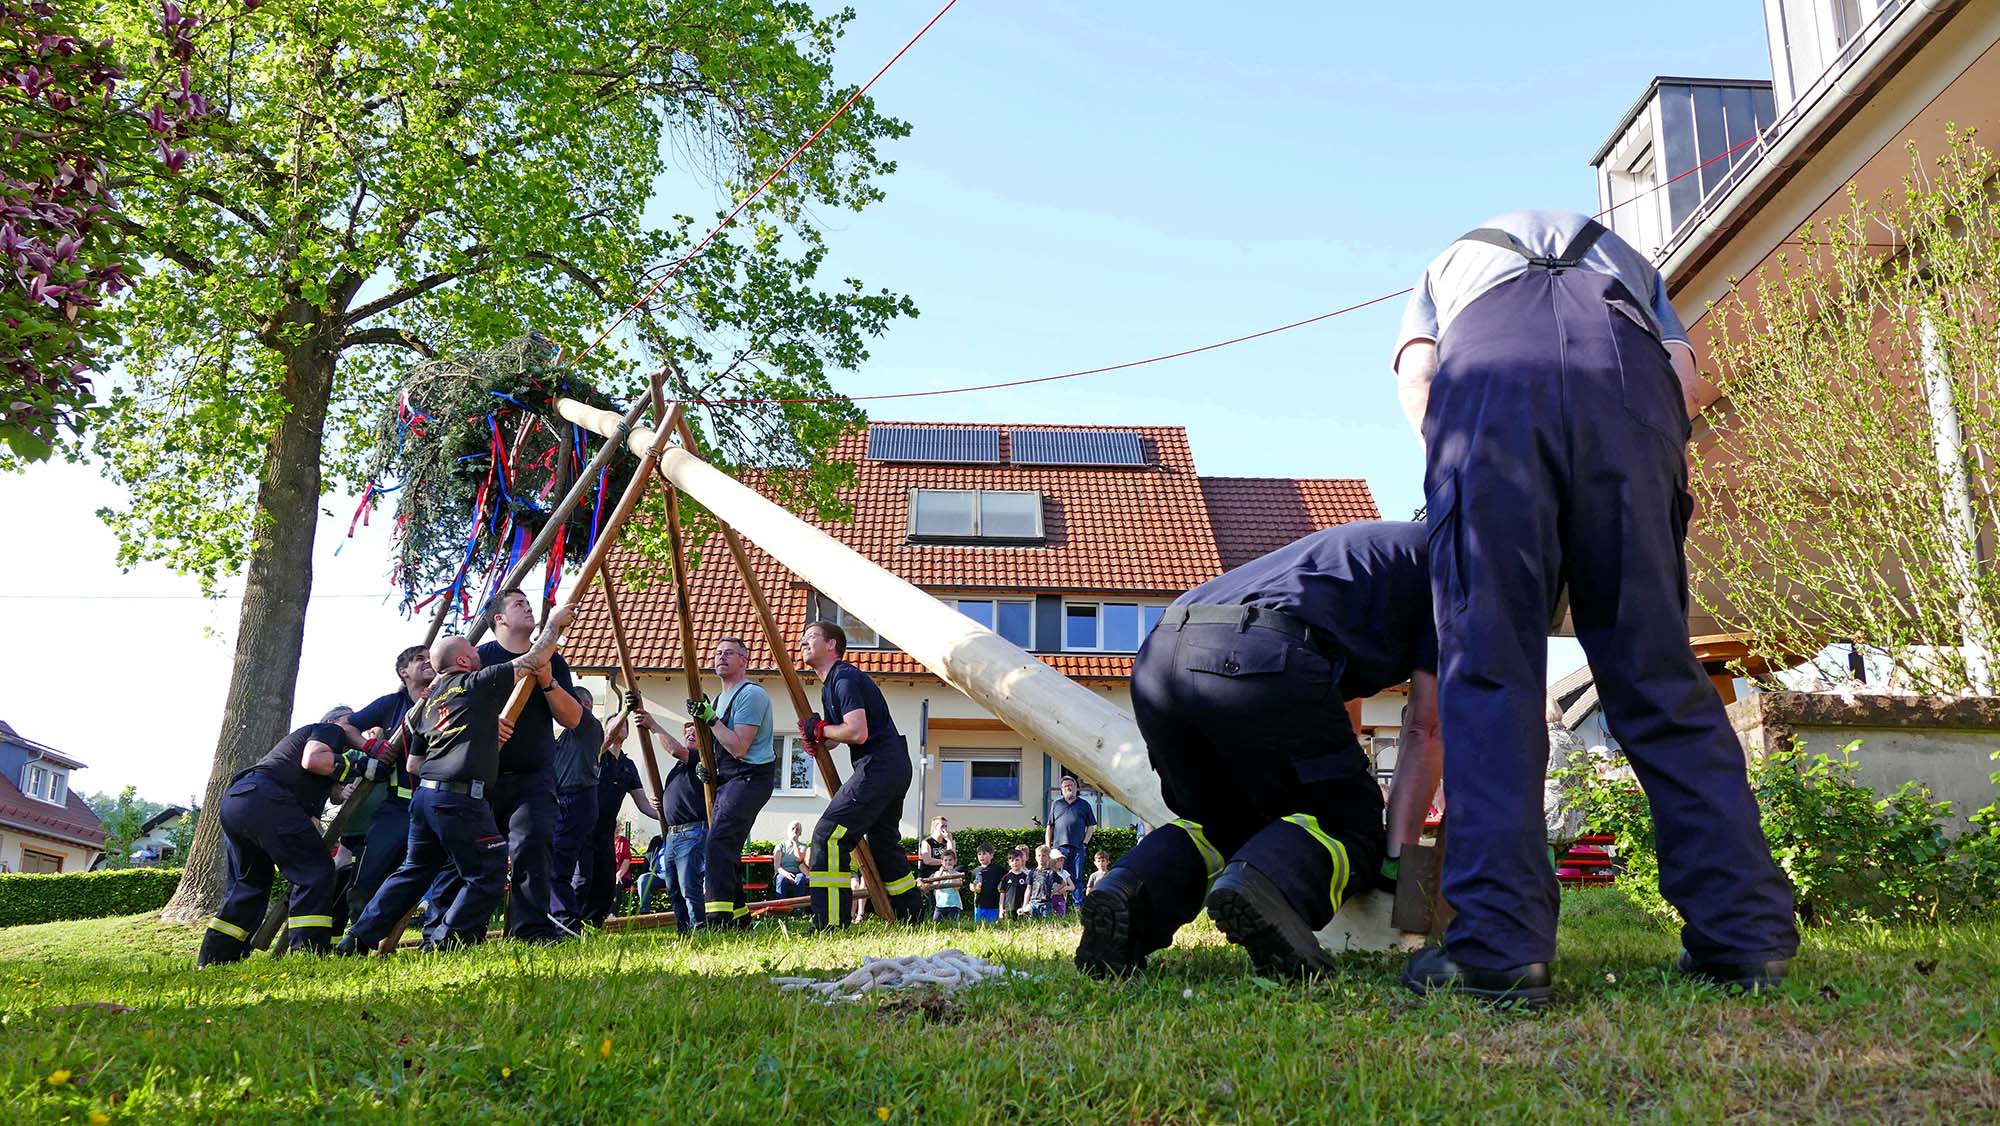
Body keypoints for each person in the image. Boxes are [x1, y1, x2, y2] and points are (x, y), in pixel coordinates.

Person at [1391, 210, 1798, 1003]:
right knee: (1657, 672)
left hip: (1487, 404)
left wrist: (1458, 487)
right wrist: (1647, 473)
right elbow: (1681, 371)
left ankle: (1500, 949)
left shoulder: (1446, 265)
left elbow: (1418, 374)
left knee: (1490, 677)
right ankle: (1742, 936)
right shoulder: (1625, 259)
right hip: (1629, 394)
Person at [1075, 521, 1436, 981]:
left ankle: (1129, 895)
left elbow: (1336, 699)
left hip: (1159, 655)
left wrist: (1336, 773)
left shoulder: (1373, 551)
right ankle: (1272, 889)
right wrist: (1398, 855)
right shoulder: (1460, 571)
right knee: (1349, 826)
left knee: (1226, 826)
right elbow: (1426, 729)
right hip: (1260, 656)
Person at [339, 613, 569, 954]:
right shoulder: (477, 684)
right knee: (488, 871)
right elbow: (535, 659)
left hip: (425, 800)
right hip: (460, 798)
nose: (479, 656)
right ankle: (445, 943)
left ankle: (356, 940)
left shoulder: (425, 704)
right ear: (463, 660)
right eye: (473, 654)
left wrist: (472, 738)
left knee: (413, 872)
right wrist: (556, 624)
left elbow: (414, 763)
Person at [422, 588, 583, 944]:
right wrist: (484, 722)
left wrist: (547, 681)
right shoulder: (479, 659)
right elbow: (441, 708)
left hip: (533, 776)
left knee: (532, 847)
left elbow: (572, 719)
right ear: (499, 619)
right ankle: (452, 930)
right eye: (519, 605)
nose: (528, 608)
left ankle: (531, 930)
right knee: (463, 857)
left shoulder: (552, 660)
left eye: (528, 603)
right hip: (479, 778)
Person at [197, 707, 395, 966]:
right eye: (352, 719)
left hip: (239, 801)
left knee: (250, 885)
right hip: (267, 799)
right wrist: (361, 764)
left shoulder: (305, 766)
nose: (358, 724)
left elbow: (330, 796)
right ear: (335, 721)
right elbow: (313, 760)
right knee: (316, 873)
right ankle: (308, 953)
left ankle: (216, 957)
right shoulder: (328, 730)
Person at [796, 621, 922, 928]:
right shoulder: (833, 684)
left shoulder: (843, 678)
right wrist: (820, 738)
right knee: (882, 842)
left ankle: (831, 922)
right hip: (891, 765)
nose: (803, 642)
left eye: (811, 637)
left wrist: (824, 729)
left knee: (829, 835)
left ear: (831, 645)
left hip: (878, 765)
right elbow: (841, 735)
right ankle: (910, 915)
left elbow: (857, 732)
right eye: (802, 639)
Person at [687, 637, 778, 929]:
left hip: (750, 776)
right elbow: (720, 746)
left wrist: (712, 720)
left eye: (729, 653)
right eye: (717, 653)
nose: (721, 657)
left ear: (744, 660)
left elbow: (739, 746)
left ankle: (718, 920)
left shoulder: (751, 695)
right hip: (729, 779)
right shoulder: (717, 700)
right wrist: (708, 768)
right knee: (727, 849)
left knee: (718, 842)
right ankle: (739, 921)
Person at [343, 645, 435, 922]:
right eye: (420, 659)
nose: (428, 661)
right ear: (403, 671)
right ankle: (360, 934)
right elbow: (346, 727)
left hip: (440, 803)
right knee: (370, 874)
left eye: (431, 657)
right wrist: (369, 746)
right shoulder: (390, 705)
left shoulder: (450, 697)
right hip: (398, 806)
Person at [634, 713, 713, 930]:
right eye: (688, 730)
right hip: (672, 834)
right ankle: (683, 930)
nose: (690, 733)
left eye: (696, 731)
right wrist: (662, 806)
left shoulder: (702, 760)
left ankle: (699, 929)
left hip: (692, 831)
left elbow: (675, 750)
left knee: (689, 885)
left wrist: (652, 725)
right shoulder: (679, 769)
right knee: (674, 888)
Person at [584, 720, 658, 926]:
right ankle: (572, 923)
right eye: (616, 722)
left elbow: (643, 803)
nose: (621, 725)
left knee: (607, 883)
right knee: (582, 879)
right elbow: (606, 741)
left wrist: (668, 818)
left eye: (624, 723)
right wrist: (625, 710)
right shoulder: (596, 755)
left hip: (606, 834)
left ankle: (593, 924)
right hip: (585, 829)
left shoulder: (627, 766)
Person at [548, 686, 607, 930]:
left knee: (557, 868)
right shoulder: (565, 736)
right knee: (557, 864)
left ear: (583, 705)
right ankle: (559, 920)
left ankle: (566, 924)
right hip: (568, 801)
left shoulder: (588, 726)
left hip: (576, 799)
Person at [1046, 775, 1095, 907]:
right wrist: (1047, 846)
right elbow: (1049, 826)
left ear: (1075, 788)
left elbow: (1091, 826)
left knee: (1077, 877)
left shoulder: (1084, 805)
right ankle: (1058, 907)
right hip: (1059, 849)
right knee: (1057, 877)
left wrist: (1085, 843)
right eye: (1066, 786)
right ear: (1062, 789)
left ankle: (1078, 907)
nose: (1069, 788)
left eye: (1071, 786)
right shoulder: (1057, 804)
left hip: (1078, 847)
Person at [925, 849, 964, 923]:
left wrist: (951, 873)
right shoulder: (937, 873)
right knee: (936, 924)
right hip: (940, 905)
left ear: (955, 861)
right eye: (945, 860)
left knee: (953, 924)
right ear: (942, 862)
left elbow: (957, 887)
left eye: (950, 860)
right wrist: (941, 873)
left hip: (953, 905)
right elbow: (935, 886)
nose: (948, 862)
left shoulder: (957, 874)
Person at [772, 820, 809, 899]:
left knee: (800, 878)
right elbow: (777, 867)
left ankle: (798, 908)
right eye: (793, 828)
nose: (795, 831)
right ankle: (781, 908)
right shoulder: (780, 846)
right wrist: (787, 874)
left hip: (798, 872)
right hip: (783, 872)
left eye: (797, 829)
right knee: (781, 879)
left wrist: (795, 843)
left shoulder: (803, 847)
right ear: (788, 831)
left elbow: (798, 859)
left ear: (800, 833)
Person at [970, 842, 1005, 924]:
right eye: (979, 854)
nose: (981, 856)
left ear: (992, 855)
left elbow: (1007, 877)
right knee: (979, 926)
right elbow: (971, 884)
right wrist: (973, 888)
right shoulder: (975, 871)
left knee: (993, 925)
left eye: (984, 854)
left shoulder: (997, 868)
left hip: (994, 904)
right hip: (979, 904)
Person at [999, 848, 1031, 920]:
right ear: (1009, 863)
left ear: (1022, 861)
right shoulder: (1006, 877)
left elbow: (1028, 893)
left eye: (1017, 860)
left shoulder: (1026, 877)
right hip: (1008, 909)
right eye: (1012, 861)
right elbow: (1002, 894)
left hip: (1021, 909)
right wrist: (1001, 910)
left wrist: (1025, 907)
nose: (1014, 862)